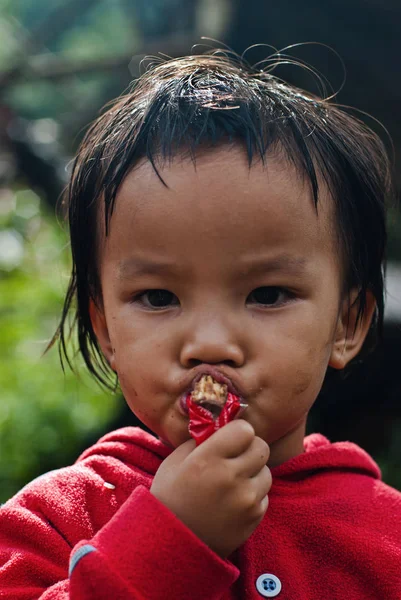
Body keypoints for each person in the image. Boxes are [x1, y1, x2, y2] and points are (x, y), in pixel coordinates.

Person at [0, 50, 400, 600]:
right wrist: (169, 543)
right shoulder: (55, 522)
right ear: (106, 328)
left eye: (267, 294)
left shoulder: (384, 538)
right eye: (159, 297)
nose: (209, 343)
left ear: (347, 323)